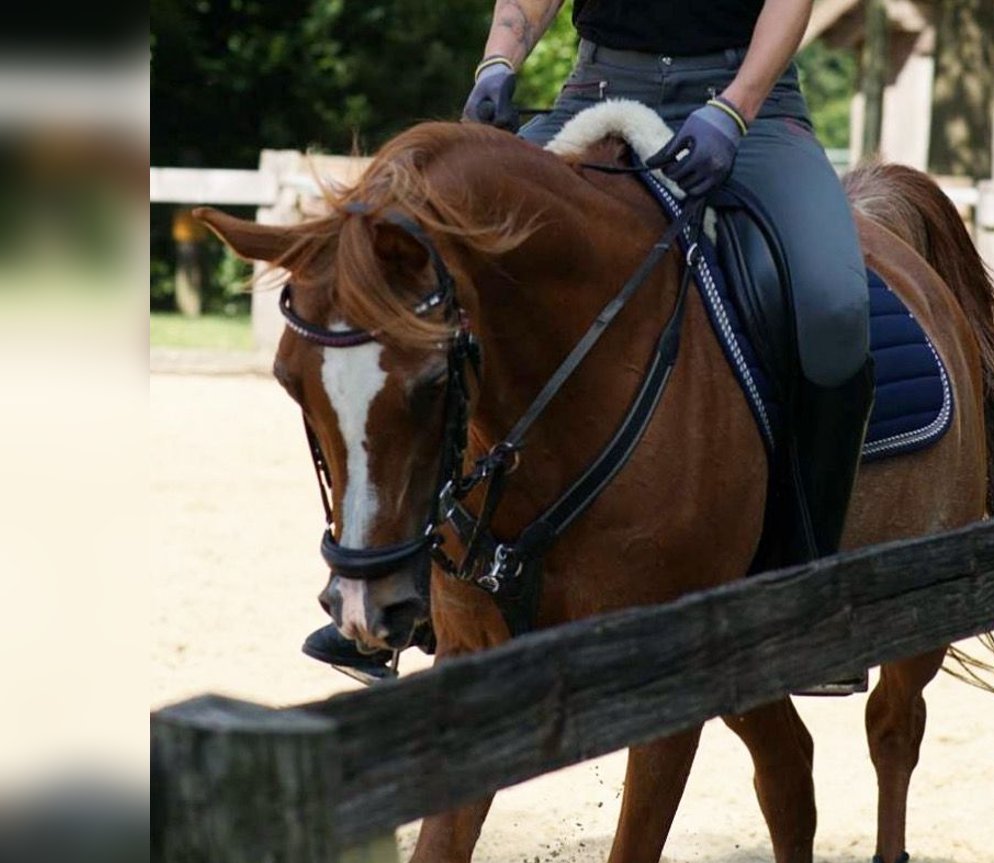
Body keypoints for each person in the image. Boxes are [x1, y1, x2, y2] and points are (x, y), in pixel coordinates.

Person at [305, 0, 873, 683]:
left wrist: (736, 105)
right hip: (595, 88)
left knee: (833, 309)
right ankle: (413, 586)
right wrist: (497, 63)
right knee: (434, 288)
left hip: (747, 105)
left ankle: (798, 590)